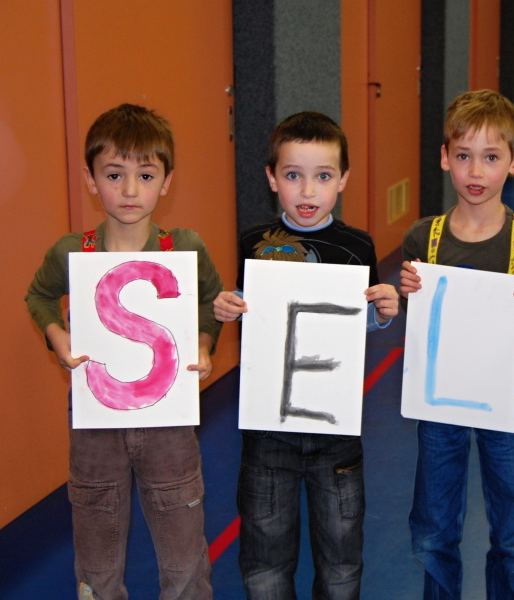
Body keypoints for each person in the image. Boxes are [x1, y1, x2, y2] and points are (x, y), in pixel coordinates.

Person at [25, 104, 223, 600]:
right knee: (97, 547)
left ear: (167, 182)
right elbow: (39, 295)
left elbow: (210, 301)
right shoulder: (73, 251)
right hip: (95, 423)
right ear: (91, 180)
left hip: (169, 421)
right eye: (114, 175)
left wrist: (203, 344)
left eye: (146, 176)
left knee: (182, 547)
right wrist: (56, 334)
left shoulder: (185, 248)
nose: (130, 190)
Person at [213, 110, 399, 599]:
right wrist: (231, 305)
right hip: (268, 431)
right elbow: (257, 310)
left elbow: (355, 321)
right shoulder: (254, 241)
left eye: (323, 176)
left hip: (335, 432)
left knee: (341, 561)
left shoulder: (357, 246)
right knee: (264, 560)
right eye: (293, 176)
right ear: (272, 178)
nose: (308, 191)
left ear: (343, 179)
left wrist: (381, 310)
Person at [400, 89, 514, 600]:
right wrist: (405, 293)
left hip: (502, 393)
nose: (476, 171)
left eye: (491, 158)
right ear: (445, 158)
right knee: (434, 522)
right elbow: (416, 313)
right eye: (464, 156)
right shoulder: (423, 237)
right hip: (438, 397)